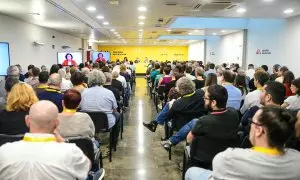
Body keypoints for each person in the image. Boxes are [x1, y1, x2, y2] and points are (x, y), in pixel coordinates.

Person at [185, 106, 300, 180]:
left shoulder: (230, 158)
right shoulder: (297, 159)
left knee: (191, 172)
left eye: (252, 122)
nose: (250, 126)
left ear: (259, 130)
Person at [0, 100, 91, 180]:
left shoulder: (4, 151)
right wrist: (62, 141)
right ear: (56, 123)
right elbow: (87, 167)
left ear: (27, 121)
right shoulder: (70, 152)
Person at [161, 84, 239, 150]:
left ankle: (171, 141)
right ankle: (171, 141)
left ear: (213, 102)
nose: (203, 100)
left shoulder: (204, 121)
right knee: (195, 121)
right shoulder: (234, 113)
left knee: (195, 122)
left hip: (204, 155)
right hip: (226, 151)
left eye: (205, 98)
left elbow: (189, 139)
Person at [80, 70, 120, 142]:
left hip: (88, 123)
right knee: (117, 115)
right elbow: (115, 110)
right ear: (103, 79)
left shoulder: (84, 93)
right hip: (106, 124)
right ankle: (114, 139)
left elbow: (81, 107)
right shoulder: (109, 93)